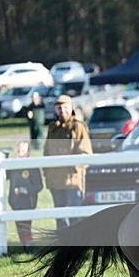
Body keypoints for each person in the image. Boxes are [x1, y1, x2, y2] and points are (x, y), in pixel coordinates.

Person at [44, 94, 92, 230]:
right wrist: (47, 173)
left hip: (73, 181)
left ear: (71, 108)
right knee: (60, 218)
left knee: (74, 217)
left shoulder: (78, 127)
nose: (62, 111)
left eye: (65, 107)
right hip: (55, 180)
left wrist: (75, 170)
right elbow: (46, 152)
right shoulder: (52, 128)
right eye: (59, 108)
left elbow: (85, 154)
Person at [7, 140, 43, 252]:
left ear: (28, 152)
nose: (20, 153)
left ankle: (30, 247)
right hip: (15, 201)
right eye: (18, 151)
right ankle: (24, 247)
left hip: (28, 201)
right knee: (19, 226)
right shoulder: (13, 165)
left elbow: (39, 185)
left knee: (26, 225)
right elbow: (5, 175)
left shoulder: (32, 166)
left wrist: (24, 190)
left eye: (23, 151)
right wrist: (4, 160)